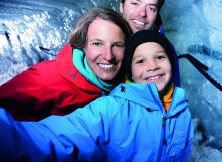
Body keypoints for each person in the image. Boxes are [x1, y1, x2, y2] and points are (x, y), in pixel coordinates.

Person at [0, 29, 193, 161]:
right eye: (140, 61)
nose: (152, 66)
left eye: (160, 57)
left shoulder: (181, 111)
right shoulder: (110, 109)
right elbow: (56, 140)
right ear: (130, 73)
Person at [0, 7, 132, 121]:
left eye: (117, 45)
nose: (108, 56)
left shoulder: (131, 79)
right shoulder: (45, 79)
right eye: (97, 44)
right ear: (83, 45)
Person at [119, 0, 181, 86]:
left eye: (151, 8)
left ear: (157, 13)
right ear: (122, 5)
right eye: (135, 3)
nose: (142, 13)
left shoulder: (166, 51)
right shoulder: (104, 38)